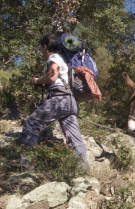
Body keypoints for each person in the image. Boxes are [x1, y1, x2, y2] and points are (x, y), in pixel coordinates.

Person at [19, 33, 88, 167]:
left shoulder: (54, 57)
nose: (41, 50)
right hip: (70, 101)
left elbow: (52, 77)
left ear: (45, 46)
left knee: (31, 124)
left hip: (59, 100)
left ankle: (26, 164)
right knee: (74, 138)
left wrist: (37, 80)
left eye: (41, 47)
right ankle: (82, 169)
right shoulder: (65, 59)